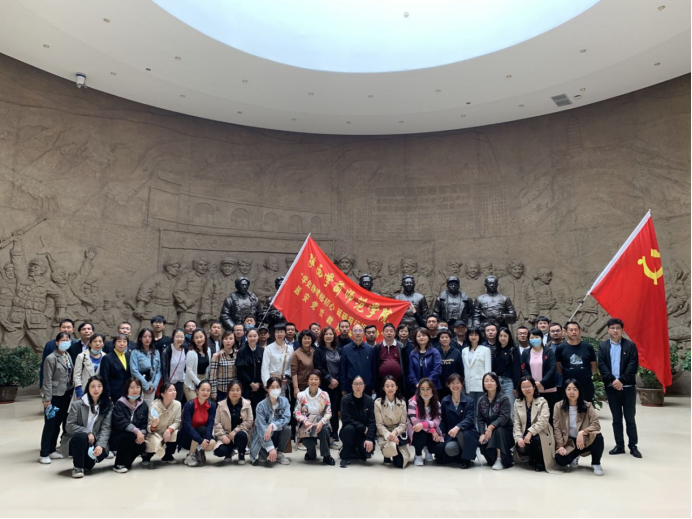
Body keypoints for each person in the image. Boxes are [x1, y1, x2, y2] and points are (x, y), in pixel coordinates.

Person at [597, 318, 641, 458]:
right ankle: (619, 445)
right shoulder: (603, 346)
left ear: (622, 330)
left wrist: (621, 380)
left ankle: (633, 445)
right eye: (612, 328)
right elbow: (602, 365)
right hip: (612, 388)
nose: (615, 330)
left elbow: (633, 366)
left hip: (627, 387)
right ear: (608, 330)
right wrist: (613, 381)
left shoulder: (630, 346)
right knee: (616, 418)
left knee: (630, 418)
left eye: (618, 328)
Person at [61, 375, 113, 478]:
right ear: (88, 388)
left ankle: (85, 461)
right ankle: (77, 468)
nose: (96, 389)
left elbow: (106, 428)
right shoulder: (77, 405)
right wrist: (87, 432)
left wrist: (100, 445)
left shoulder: (108, 405)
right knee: (82, 437)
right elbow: (69, 426)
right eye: (92, 386)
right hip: (77, 440)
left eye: (99, 386)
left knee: (88, 465)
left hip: (95, 440)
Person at [554, 379, 605, 476]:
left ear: (579, 391)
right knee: (560, 460)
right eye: (568, 389)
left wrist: (582, 432)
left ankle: (596, 463)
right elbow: (557, 428)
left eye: (575, 389)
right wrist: (560, 446)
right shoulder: (558, 406)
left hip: (585, 440)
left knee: (598, 437)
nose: (571, 392)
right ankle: (575, 456)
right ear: (565, 391)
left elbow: (596, 425)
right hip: (570, 442)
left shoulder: (588, 406)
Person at [39, 332, 76, 464]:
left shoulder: (68, 355)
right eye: (62, 340)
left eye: (67, 340)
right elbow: (47, 380)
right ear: (57, 343)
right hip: (54, 396)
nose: (65, 342)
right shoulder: (51, 358)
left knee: (60, 423)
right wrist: (47, 399)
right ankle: (44, 453)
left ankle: (52, 450)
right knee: (50, 424)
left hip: (66, 395)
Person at [513, 376, 559, 474]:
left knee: (536, 439)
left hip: (541, 432)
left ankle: (540, 461)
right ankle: (532, 457)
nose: (527, 389)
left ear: (534, 387)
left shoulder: (542, 401)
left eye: (529, 386)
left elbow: (543, 421)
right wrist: (518, 438)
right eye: (524, 387)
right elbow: (516, 423)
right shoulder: (517, 403)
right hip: (524, 434)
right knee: (521, 447)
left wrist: (530, 433)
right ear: (520, 389)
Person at [436, 374, 479, 469]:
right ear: (448, 385)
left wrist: (457, 427)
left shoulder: (469, 401)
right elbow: (443, 420)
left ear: (462, 384)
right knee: (449, 449)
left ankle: (467, 459)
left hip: (467, 433)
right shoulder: (445, 401)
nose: (455, 385)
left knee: (460, 433)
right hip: (451, 434)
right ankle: (461, 455)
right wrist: (442, 433)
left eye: (458, 383)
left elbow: (469, 419)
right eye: (452, 383)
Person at [294, 370, 335, 465]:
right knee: (309, 444)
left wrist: (321, 423)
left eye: (316, 379)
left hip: (320, 423)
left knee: (324, 430)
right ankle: (310, 451)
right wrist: (305, 421)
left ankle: (326, 455)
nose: (313, 381)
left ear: (319, 382)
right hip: (307, 424)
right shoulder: (301, 395)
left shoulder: (324, 395)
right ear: (307, 381)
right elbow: (296, 412)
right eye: (311, 379)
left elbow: (328, 413)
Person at [110, 378, 149, 473]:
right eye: (132, 387)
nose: (135, 390)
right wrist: (137, 431)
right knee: (128, 437)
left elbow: (144, 423)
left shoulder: (143, 405)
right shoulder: (119, 404)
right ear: (126, 389)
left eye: (138, 387)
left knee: (142, 445)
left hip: (134, 435)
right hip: (118, 436)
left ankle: (126, 462)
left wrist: (142, 434)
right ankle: (118, 464)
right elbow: (121, 422)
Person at [250, 377, 292, 465]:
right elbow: (261, 428)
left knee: (287, 428)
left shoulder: (284, 401)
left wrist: (272, 425)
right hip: (263, 437)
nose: (275, 389)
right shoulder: (261, 406)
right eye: (272, 387)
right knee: (265, 460)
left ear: (281, 388)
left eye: (278, 387)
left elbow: (286, 418)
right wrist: (270, 448)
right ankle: (267, 451)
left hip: (276, 433)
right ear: (267, 389)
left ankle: (279, 453)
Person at [476, 372, 514, 470]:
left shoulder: (504, 398)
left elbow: (504, 417)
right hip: (490, 432)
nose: (489, 383)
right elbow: (480, 419)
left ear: (497, 383)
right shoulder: (481, 400)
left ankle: (499, 459)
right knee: (484, 446)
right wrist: (482, 433)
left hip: (505, 431)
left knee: (498, 431)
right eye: (486, 381)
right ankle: (504, 457)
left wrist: (490, 427)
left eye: (492, 381)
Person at [521, 328, 559, 423]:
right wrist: (532, 383)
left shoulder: (549, 352)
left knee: (550, 415)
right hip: (532, 389)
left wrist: (542, 383)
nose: (534, 339)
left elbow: (552, 369)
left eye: (537, 337)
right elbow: (523, 368)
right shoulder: (526, 353)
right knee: (534, 416)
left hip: (548, 389)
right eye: (532, 338)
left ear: (541, 338)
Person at [339, 376, 376, 469]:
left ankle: (355, 450)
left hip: (364, 434)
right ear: (352, 386)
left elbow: (372, 421)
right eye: (355, 384)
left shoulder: (369, 400)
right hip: (349, 432)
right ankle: (345, 456)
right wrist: (363, 428)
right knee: (349, 428)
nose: (358, 386)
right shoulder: (345, 399)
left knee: (367, 452)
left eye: (360, 384)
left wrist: (370, 438)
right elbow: (346, 419)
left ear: (364, 386)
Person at [314, 326, 342, 448]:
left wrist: (337, 380)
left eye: (331, 334)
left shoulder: (339, 350)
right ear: (322, 336)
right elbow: (318, 367)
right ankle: (323, 436)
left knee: (334, 411)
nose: (329, 336)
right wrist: (330, 379)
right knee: (324, 411)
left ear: (334, 336)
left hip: (337, 386)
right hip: (325, 385)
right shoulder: (318, 351)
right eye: (326, 334)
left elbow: (343, 367)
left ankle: (333, 435)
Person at [213, 380, 254, 465]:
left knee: (241, 435)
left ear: (241, 391)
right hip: (226, 436)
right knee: (219, 451)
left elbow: (249, 421)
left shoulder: (247, 404)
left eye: (237, 390)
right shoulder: (221, 405)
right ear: (228, 391)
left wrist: (235, 431)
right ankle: (229, 452)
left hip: (241, 434)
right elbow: (217, 423)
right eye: (232, 390)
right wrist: (223, 437)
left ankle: (241, 453)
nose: (235, 392)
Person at [374, 376, 411, 468]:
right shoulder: (378, 403)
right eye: (387, 386)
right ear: (383, 388)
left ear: (396, 387)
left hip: (398, 433)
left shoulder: (402, 402)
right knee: (390, 450)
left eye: (392, 386)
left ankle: (395, 450)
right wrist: (389, 435)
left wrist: (394, 433)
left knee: (400, 463)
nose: (390, 388)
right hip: (385, 434)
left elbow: (403, 424)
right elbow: (379, 425)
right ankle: (386, 453)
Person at [179, 380, 218, 467]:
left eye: (208, 390)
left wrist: (206, 439)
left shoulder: (212, 406)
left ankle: (197, 450)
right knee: (202, 429)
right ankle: (191, 455)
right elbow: (187, 426)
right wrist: (201, 440)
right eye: (203, 390)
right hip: (188, 437)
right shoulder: (189, 405)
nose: (205, 392)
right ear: (197, 391)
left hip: (202, 436)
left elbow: (210, 424)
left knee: (212, 443)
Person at [143, 382, 182, 466]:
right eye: (170, 390)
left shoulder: (177, 404)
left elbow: (177, 421)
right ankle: (147, 456)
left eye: (174, 390)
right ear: (162, 394)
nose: (174, 392)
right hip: (155, 433)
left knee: (176, 433)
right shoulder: (154, 406)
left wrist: (169, 430)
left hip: (167, 431)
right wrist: (154, 425)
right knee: (155, 443)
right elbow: (149, 427)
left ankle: (168, 455)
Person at [556, 322, 597, 402]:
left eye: (576, 330)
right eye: (571, 330)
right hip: (568, 384)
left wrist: (587, 375)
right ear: (566, 331)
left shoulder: (588, 346)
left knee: (587, 406)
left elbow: (594, 365)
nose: (574, 332)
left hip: (586, 384)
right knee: (569, 406)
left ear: (579, 331)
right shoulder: (561, 348)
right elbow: (557, 366)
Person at [408, 377, 443, 466]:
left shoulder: (437, 403)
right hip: (417, 432)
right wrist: (432, 430)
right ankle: (418, 454)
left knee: (441, 447)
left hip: (432, 432)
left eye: (428, 389)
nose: (425, 392)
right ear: (419, 390)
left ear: (432, 390)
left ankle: (428, 450)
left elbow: (437, 421)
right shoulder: (412, 402)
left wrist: (424, 425)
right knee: (420, 432)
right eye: (422, 389)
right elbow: (415, 422)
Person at [340, 324, 377, 397]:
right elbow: (342, 370)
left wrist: (374, 387)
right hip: (350, 387)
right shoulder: (345, 349)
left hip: (367, 387)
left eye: (360, 331)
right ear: (351, 333)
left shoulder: (370, 349)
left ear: (363, 333)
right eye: (355, 331)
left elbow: (374, 370)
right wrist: (343, 388)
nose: (358, 333)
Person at [461, 327, 492, 413]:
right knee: (471, 409)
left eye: (476, 335)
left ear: (479, 336)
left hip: (481, 384)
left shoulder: (485, 350)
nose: (473, 337)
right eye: (471, 335)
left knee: (482, 409)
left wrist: (487, 383)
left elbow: (488, 369)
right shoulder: (464, 351)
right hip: (469, 384)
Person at [374, 323, 408, 397]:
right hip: (381, 381)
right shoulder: (378, 347)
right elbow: (374, 365)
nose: (389, 333)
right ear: (382, 333)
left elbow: (406, 364)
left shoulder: (401, 347)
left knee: (398, 400)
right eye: (386, 331)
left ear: (395, 333)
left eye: (391, 331)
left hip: (398, 381)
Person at [130, 328, 162, 406]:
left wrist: (154, 385)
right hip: (139, 383)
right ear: (140, 338)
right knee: (136, 406)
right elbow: (134, 370)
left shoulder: (156, 352)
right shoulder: (135, 352)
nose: (147, 339)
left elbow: (158, 370)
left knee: (148, 407)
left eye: (150, 337)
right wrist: (145, 385)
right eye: (144, 336)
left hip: (152, 384)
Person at [236, 328, 265, 413]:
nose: (252, 338)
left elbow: (264, 367)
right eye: (250, 336)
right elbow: (240, 370)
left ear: (258, 337)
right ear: (246, 337)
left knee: (259, 410)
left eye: (255, 336)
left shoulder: (262, 350)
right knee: (246, 410)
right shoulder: (241, 351)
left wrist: (259, 383)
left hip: (259, 386)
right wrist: (251, 383)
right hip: (246, 386)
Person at [98, 333, 132, 402]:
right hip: (113, 392)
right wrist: (107, 394)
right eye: (119, 341)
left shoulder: (129, 356)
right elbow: (104, 377)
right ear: (114, 343)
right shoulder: (107, 358)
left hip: (127, 392)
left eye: (124, 341)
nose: (122, 344)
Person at [262, 323, 293, 396]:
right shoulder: (268, 348)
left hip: (284, 382)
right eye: (277, 332)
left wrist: (287, 377)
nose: (279, 334)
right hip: (272, 381)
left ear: (285, 333)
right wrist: (267, 384)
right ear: (274, 334)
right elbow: (265, 367)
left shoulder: (290, 349)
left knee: (283, 401)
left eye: (281, 332)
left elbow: (290, 366)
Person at [496, 327, 522, 414]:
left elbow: (517, 369)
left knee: (510, 408)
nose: (502, 338)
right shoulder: (497, 350)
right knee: (499, 409)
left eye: (505, 336)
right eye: (500, 336)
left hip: (509, 383)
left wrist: (516, 386)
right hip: (497, 382)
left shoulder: (513, 350)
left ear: (509, 337)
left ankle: (511, 423)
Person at [73, 333, 106, 400]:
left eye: (100, 341)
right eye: (95, 341)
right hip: (83, 389)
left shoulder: (105, 356)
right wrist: (79, 391)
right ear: (90, 344)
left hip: (98, 390)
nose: (97, 344)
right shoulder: (82, 356)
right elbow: (76, 375)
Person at [210, 330, 239, 402]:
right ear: (222, 340)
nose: (228, 341)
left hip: (235, 389)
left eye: (231, 339)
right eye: (226, 339)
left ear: (234, 340)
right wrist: (213, 392)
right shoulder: (217, 355)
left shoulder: (238, 354)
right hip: (221, 389)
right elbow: (213, 376)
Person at [184, 328, 211, 403]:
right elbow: (189, 370)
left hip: (203, 380)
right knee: (195, 405)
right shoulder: (191, 352)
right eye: (196, 338)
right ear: (193, 340)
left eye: (201, 337)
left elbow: (208, 368)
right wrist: (199, 383)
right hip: (191, 384)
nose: (199, 339)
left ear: (205, 337)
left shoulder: (208, 350)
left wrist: (205, 383)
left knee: (203, 405)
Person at [161, 328, 188, 402]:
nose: (180, 339)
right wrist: (166, 383)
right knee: (168, 402)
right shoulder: (167, 351)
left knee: (177, 403)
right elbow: (164, 369)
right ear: (173, 337)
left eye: (182, 337)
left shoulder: (186, 349)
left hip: (181, 382)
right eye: (177, 337)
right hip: (170, 382)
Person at [436, 329, 464, 400]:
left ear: (450, 339)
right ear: (439, 340)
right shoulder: (435, 352)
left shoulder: (456, 352)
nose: (444, 339)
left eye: (446, 337)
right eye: (442, 337)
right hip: (439, 385)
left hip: (453, 384)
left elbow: (461, 369)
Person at [292, 330, 316, 395]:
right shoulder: (296, 354)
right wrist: (296, 388)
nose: (307, 340)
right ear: (301, 340)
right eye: (304, 338)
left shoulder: (314, 352)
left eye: (308, 338)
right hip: (301, 387)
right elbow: (294, 372)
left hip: (313, 386)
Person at [548, 322, 565, 400]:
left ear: (562, 331)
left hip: (566, 382)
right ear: (549, 333)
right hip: (552, 382)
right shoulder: (546, 347)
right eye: (553, 331)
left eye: (558, 331)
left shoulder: (568, 345)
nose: (555, 333)